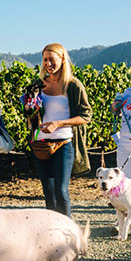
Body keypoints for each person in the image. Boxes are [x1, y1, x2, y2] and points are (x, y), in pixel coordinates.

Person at [25, 43, 92, 218]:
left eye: (52, 59)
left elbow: (86, 115)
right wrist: (30, 112)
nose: (48, 63)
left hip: (63, 143)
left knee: (61, 191)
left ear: (62, 60)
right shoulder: (38, 85)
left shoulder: (73, 85)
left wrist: (58, 123)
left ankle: (68, 233)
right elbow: (31, 117)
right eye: (45, 60)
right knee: (48, 192)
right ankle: (53, 233)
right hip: (41, 145)